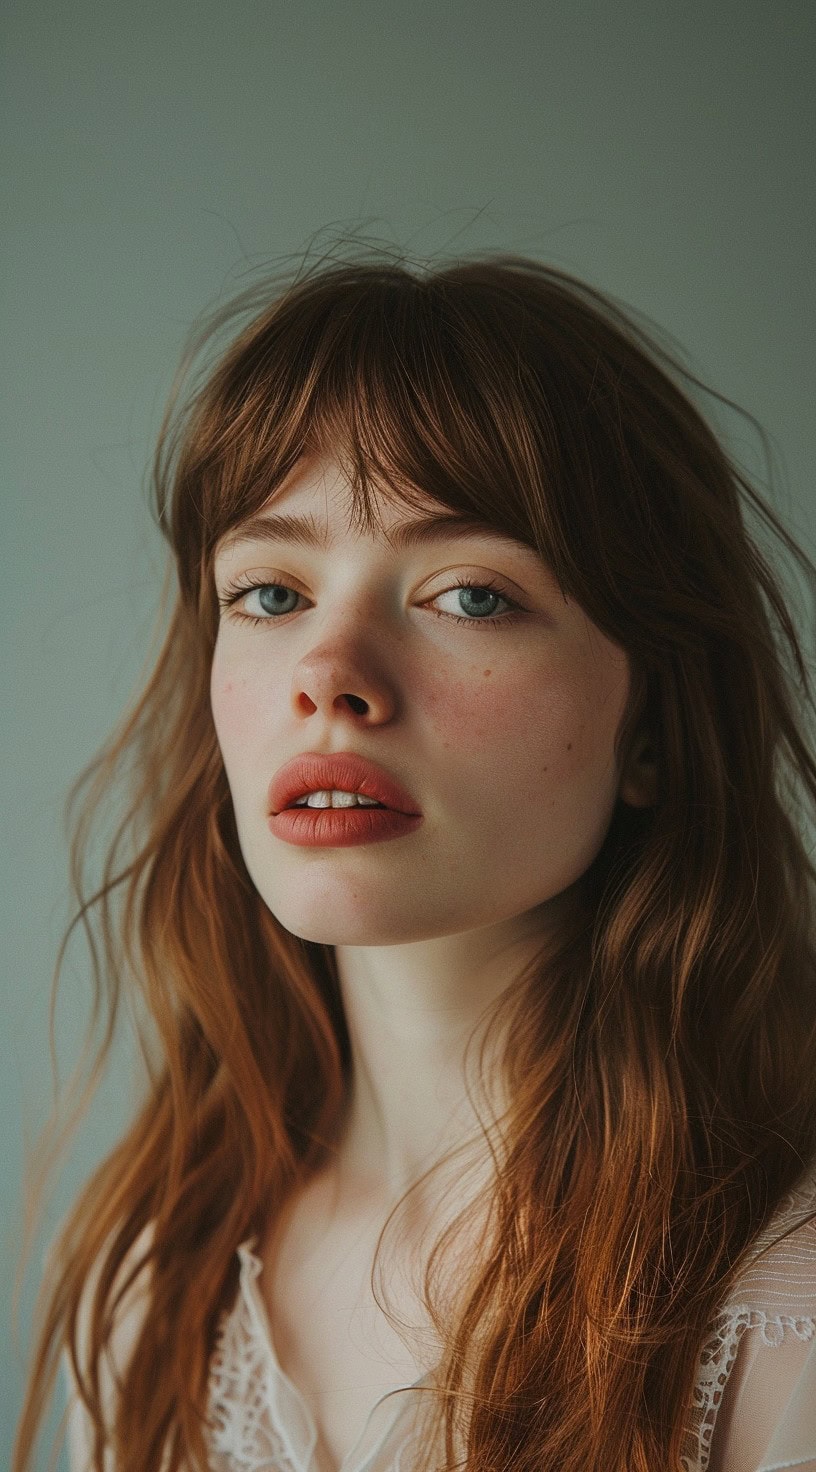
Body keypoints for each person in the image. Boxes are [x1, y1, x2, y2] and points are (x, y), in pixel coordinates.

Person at [13, 246, 816, 1472]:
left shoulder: (780, 1328)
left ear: (653, 723)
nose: (329, 673)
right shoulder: (155, 1300)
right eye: (271, 592)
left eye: (469, 594)